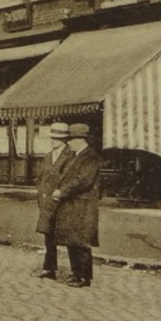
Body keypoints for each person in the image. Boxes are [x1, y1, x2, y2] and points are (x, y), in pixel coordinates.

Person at [51, 122, 102, 288]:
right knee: (71, 239)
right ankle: (76, 273)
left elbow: (82, 181)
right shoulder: (75, 156)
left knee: (81, 241)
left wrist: (62, 191)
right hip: (72, 204)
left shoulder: (90, 157)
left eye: (71, 140)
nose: (69, 143)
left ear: (80, 139)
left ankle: (84, 277)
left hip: (83, 205)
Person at [33, 120, 75, 279]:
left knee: (69, 237)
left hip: (62, 202)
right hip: (47, 201)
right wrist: (40, 192)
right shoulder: (48, 156)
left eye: (56, 138)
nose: (52, 141)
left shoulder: (70, 156)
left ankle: (76, 271)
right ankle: (49, 268)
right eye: (51, 137)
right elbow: (42, 176)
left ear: (64, 140)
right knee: (48, 237)